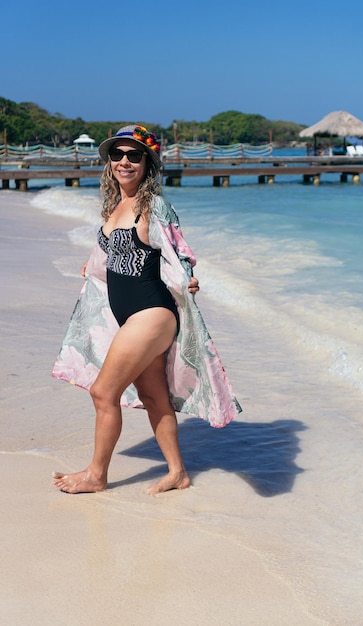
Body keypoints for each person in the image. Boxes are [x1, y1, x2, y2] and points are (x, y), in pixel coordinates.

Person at [52, 124, 241, 495]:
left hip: (152, 313)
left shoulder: (153, 205)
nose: (124, 161)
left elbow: (178, 251)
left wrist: (188, 278)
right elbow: (116, 256)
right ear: (108, 162)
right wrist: (92, 268)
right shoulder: (116, 204)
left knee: (103, 392)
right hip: (130, 315)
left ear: (148, 164)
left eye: (134, 155)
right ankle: (178, 473)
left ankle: (96, 474)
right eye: (117, 155)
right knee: (154, 396)